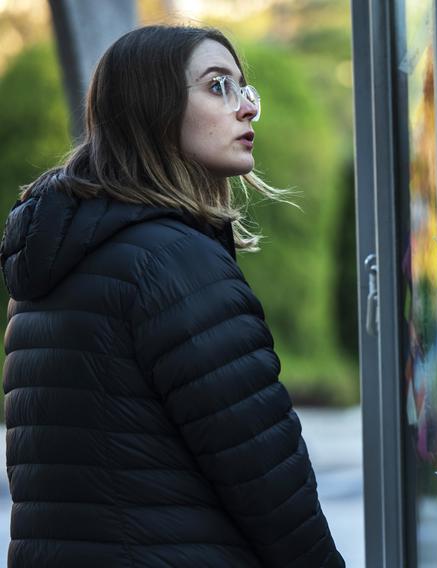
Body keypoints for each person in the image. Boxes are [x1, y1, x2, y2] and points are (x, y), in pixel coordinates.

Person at [0, 25, 344, 567]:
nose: (248, 108)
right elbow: (267, 480)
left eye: (243, 87)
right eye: (217, 86)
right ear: (152, 108)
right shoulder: (174, 262)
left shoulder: (53, 265)